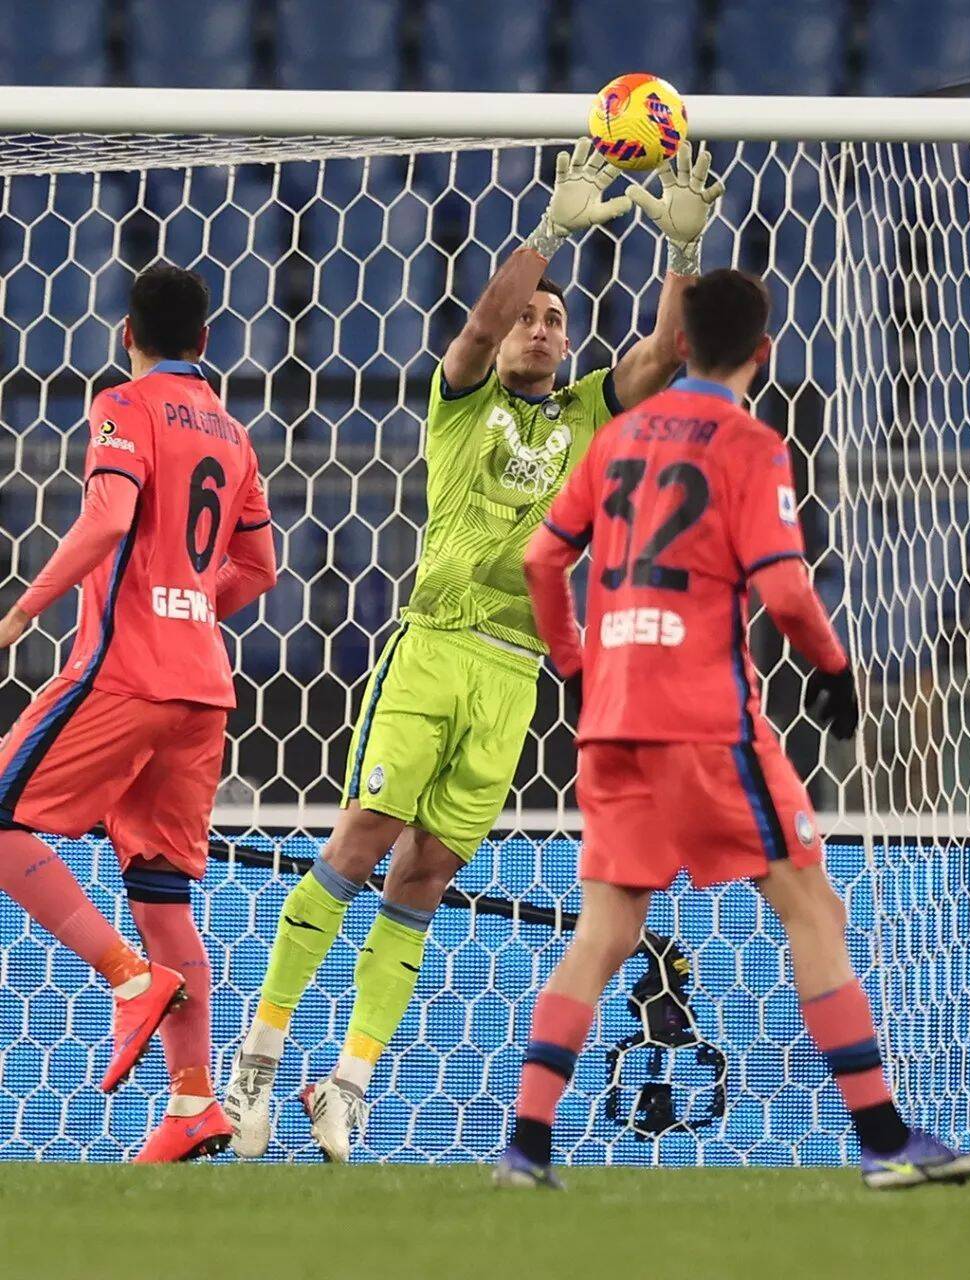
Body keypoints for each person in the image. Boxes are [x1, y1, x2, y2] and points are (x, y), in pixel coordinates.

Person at [226, 141, 725, 1161]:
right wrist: (546, 236)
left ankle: (348, 1084)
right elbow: (485, 319)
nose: (541, 327)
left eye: (557, 317)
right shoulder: (461, 400)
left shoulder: (588, 413)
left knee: (425, 877)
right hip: (437, 646)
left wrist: (685, 243)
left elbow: (669, 350)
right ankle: (258, 1063)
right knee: (361, 840)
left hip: (516, 670)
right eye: (529, 318)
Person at [496, 267, 970, 1190]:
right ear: (762, 352)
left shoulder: (614, 441)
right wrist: (836, 671)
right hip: (705, 719)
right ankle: (885, 1141)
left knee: (607, 927)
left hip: (612, 718)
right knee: (815, 906)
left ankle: (526, 1146)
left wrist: (577, 665)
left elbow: (539, 559)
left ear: (679, 344)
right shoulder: (749, 442)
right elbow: (782, 588)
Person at [0, 263, 276, 1163]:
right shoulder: (234, 436)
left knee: (0, 818)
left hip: (125, 671)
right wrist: (190, 602)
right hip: (202, 688)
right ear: (205, 342)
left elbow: (111, 518)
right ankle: (194, 1105)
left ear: (130, 336)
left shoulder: (123, 404)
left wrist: (21, 611)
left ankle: (124, 980)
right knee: (162, 894)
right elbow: (259, 570)